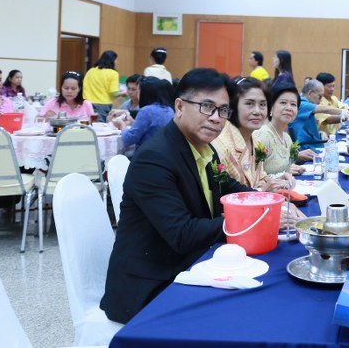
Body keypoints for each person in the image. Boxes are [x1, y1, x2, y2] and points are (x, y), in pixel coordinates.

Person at [100, 68, 254, 323]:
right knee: (241, 313)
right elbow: (182, 234)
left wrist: (266, 203)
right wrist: (248, 222)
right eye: (207, 107)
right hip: (151, 287)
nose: (216, 118)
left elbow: (228, 186)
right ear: (180, 106)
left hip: (188, 264)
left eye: (223, 110)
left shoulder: (204, 148)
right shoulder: (155, 158)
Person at [211, 76, 297, 191]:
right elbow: (221, 192)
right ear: (233, 106)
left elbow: (259, 180)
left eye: (262, 105)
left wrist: (277, 179)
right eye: (249, 104)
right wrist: (261, 192)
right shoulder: (221, 144)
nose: (257, 111)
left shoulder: (255, 140)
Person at [255, 83, 318, 175]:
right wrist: (282, 174)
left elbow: (285, 168)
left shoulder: (287, 138)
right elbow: (253, 176)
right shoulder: (262, 136)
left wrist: (289, 170)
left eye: (293, 104)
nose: (289, 108)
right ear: (271, 107)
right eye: (283, 103)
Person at [110, 77, 175, 152]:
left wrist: (121, 124)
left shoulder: (147, 111)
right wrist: (133, 122)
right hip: (162, 152)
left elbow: (128, 139)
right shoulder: (169, 109)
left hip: (146, 154)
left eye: (137, 91)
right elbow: (150, 129)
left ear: (145, 93)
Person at [289, 79, 344, 152]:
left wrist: (320, 133)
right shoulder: (301, 104)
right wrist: (344, 113)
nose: (320, 100)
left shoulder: (307, 105)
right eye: (320, 97)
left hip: (312, 144)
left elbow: (308, 129)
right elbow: (324, 109)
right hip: (306, 148)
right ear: (310, 93)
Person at [84, 50, 121, 122]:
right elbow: (114, 93)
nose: (116, 62)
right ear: (112, 61)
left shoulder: (90, 71)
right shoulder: (113, 73)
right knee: (100, 126)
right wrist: (123, 94)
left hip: (87, 103)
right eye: (115, 60)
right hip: (103, 105)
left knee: (88, 125)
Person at [315, 72, 349, 137]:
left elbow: (346, 108)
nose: (332, 89)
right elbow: (328, 120)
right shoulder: (317, 101)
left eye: (333, 86)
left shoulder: (334, 98)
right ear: (320, 87)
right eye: (329, 86)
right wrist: (346, 116)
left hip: (336, 134)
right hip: (324, 137)